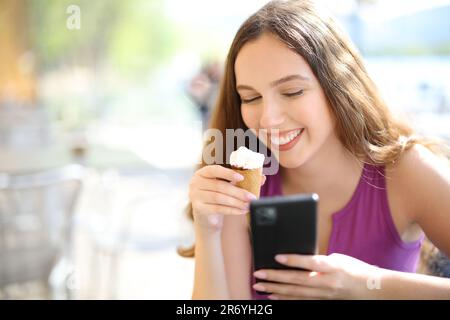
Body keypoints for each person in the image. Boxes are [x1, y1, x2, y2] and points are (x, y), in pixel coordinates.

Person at [180, 0, 450, 299]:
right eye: (251, 97)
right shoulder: (243, 184)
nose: (268, 118)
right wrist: (208, 231)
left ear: (338, 84)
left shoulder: (408, 171)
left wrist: (370, 285)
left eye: (292, 91)